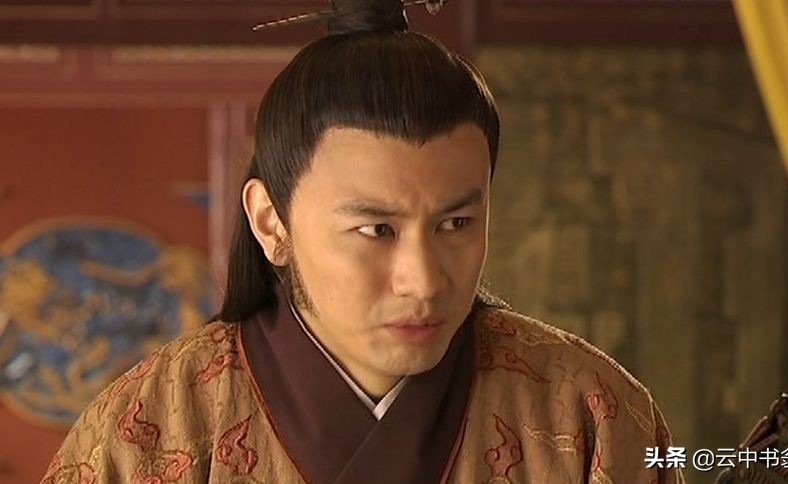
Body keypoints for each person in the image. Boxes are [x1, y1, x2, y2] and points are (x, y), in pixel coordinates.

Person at [42, 1, 684, 482]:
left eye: (456, 224)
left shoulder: (590, 413)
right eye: (377, 230)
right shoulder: (149, 431)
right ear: (271, 223)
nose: (424, 280)